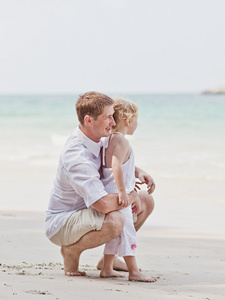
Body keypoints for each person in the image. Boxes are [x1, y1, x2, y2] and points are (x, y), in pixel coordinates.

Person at [45, 91, 156, 277]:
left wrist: (138, 171)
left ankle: (108, 261)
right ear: (89, 120)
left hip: (89, 210)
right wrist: (131, 196)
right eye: (109, 118)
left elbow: (114, 160)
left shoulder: (97, 135)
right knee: (116, 220)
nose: (114, 122)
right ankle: (71, 250)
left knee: (146, 201)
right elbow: (102, 204)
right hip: (64, 221)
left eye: (113, 116)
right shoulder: (77, 157)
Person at [100, 98, 155, 282]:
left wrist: (137, 174)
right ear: (128, 120)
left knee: (116, 235)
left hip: (109, 193)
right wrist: (124, 192)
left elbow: (118, 165)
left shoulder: (109, 139)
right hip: (119, 196)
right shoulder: (121, 141)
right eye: (136, 119)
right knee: (128, 231)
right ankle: (134, 271)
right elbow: (116, 166)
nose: (137, 123)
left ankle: (107, 268)